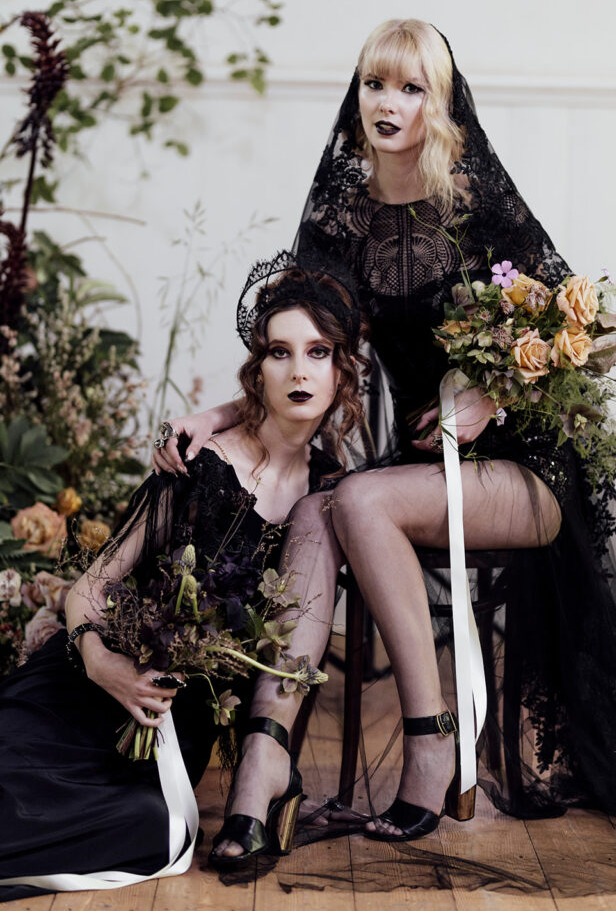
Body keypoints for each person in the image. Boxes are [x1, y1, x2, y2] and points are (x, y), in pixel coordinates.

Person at [153, 19, 616, 842]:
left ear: (440, 105)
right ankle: (263, 765)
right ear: (355, 95)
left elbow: (576, 341)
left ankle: (432, 748)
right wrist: (215, 415)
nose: (387, 103)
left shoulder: (478, 209)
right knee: (318, 510)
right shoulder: (339, 219)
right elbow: (305, 351)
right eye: (374, 84)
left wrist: (490, 398)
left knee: (355, 502)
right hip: (420, 474)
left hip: (530, 472)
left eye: (410, 88)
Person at [0, 256, 367, 902]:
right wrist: (100, 661)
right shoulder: (199, 464)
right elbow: (89, 584)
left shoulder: (335, 495)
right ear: (258, 370)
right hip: (86, 682)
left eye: (318, 352)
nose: (299, 371)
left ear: (343, 370)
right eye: (279, 353)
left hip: (176, 719)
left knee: (145, 826)